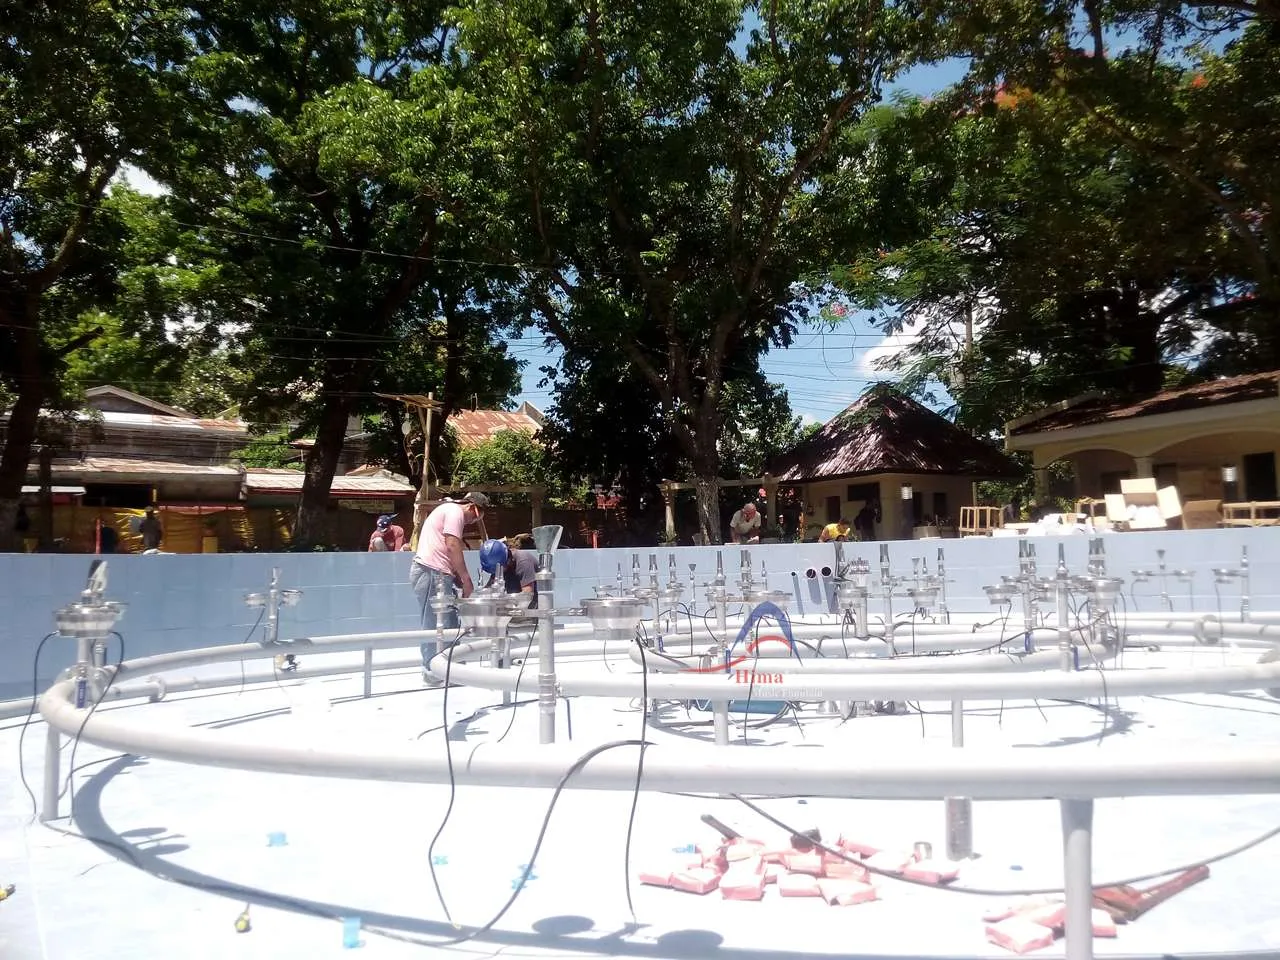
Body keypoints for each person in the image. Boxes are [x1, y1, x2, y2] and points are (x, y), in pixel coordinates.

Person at [410, 491, 490, 686]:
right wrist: (466, 579)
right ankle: (432, 671)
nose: (472, 522)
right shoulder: (455, 511)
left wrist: (454, 575)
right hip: (432, 573)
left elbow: (444, 548)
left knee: (448, 621)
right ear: (472, 507)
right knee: (434, 623)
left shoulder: (446, 510)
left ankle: (451, 669)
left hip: (435, 573)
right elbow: (452, 544)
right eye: (475, 517)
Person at [479, 538, 538, 608]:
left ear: (508, 561)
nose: (495, 574)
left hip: (530, 609)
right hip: (513, 607)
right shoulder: (500, 563)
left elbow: (527, 596)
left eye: (496, 571)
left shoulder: (524, 562)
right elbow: (488, 590)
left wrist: (505, 604)